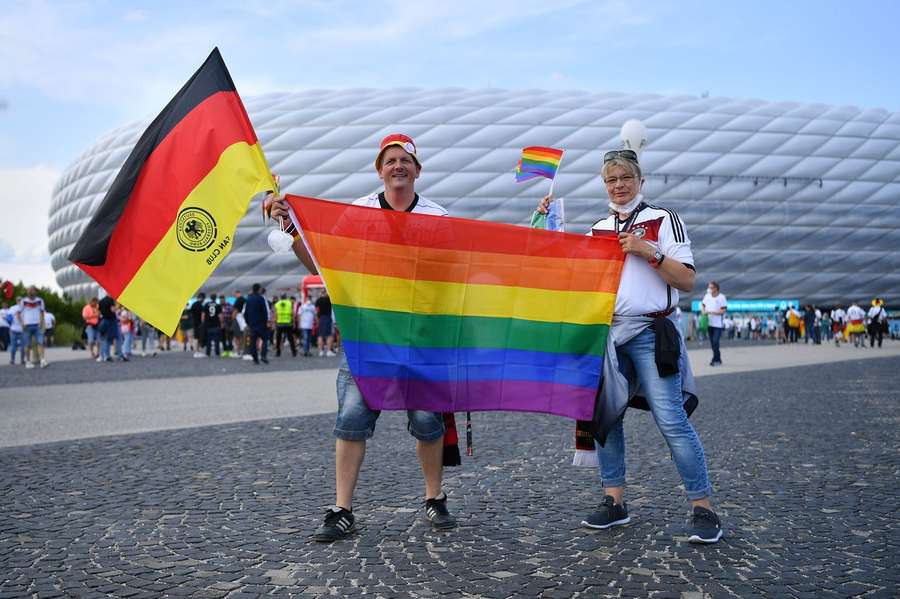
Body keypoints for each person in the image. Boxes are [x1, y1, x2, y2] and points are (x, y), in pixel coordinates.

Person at [268, 133, 457, 542]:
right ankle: (342, 509)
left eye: (405, 160)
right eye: (390, 160)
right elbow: (326, 262)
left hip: (421, 341)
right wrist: (289, 224)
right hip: (367, 339)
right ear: (379, 169)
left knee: (427, 421)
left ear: (418, 170)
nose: (398, 166)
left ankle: (434, 497)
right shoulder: (358, 213)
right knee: (351, 419)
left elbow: (455, 279)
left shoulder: (438, 218)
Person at [536, 148, 722, 543]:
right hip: (610, 334)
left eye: (625, 178)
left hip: (652, 334)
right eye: (611, 179)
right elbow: (568, 273)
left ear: (640, 180)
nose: (618, 185)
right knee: (607, 417)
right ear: (604, 184)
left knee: (671, 419)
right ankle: (614, 501)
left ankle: (703, 508)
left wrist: (647, 251)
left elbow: (687, 280)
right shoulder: (598, 227)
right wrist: (546, 223)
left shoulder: (663, 219)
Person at [19, 286, 48, 368]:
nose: (31, 291)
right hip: (27, 325)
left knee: (40, 342)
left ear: (35, 291)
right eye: (29, 290)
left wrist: (41, 323)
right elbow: (19, 313)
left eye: (32, 290)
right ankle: (28, 361)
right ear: (27, 292)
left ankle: (42, 360)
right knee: (27, 345)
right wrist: (22, 324)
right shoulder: (23, 301)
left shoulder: (40, 300)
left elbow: (42, 313)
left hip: (37, 325)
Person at [243, 283, 270, 365]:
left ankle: (255, 359)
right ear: (259, 289)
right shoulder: (261, 298)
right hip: (261, 323)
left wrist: (248, 322)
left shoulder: (249, 299)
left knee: (253, 342)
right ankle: (263, 355)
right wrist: (266, 322)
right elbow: (264, 311)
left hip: (252, 324)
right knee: (265, 339)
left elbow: (245, 312)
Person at [701, 282, 727, 366]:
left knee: (716, 341)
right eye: (709, 287)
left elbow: (723, 310)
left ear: (716, 288)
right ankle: (717, 359)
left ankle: (715, 359)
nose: (709, 289)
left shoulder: (721, 297)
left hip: (718, 324)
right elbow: (703, 305)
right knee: (712, 343)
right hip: (709, 323)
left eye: (711, 287)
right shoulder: (707, 296)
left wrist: (712, 312)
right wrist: (703, 311)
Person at [315, 289, 336, 357]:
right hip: (327, 318)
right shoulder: (329, 299)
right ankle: (329, 351)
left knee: (320, 335)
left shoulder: (318, 300)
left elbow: (316, 311)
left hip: (320, 318)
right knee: (329, 335)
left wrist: (317, 319)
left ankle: (321, 351)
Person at [203, 293, 223, 357]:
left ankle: (208, 353)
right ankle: (217, 353)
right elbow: (220, 316)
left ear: (210, 298)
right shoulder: (218, 305)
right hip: (216, 324)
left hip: (208, 324)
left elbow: (203, 314)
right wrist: (221, 323)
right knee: (216, 340)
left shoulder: (206, 305)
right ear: (215, 298)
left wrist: (203, 322)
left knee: (208, 340)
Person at [7, 297, 24, 365]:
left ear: (16, 301)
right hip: (22, 329)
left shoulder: (12, 308)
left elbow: (8, 318)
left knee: (13, 345)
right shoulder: (24, 308)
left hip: (13, 329)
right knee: (23, 345)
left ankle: (12, 360)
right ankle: (22, 360)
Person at [189, 292, 206, 357]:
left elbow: (191, 313)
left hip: (194, 323)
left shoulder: (193, 304)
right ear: (202, 298)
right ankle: (197, 352)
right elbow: (202, 315)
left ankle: (197, 351)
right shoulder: (201, 305)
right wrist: (202, 323)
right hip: (199, 323)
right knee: (198, 337)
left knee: (196, 337)